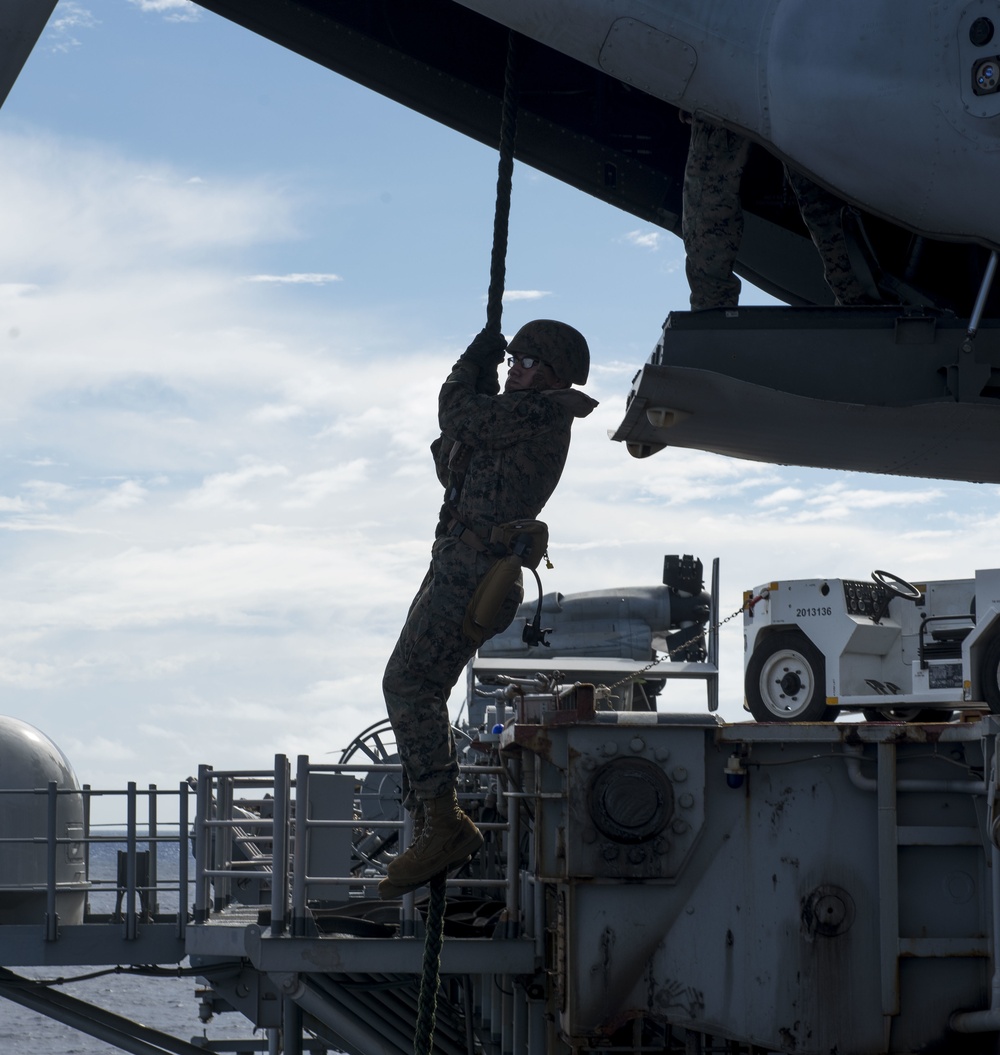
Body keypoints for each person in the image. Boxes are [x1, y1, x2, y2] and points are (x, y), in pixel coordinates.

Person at [379, 320, 598, 899]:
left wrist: (465, 366)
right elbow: (454, 451)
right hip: (457, 562)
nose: (515, 366)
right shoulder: (514, 415)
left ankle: (443, 821)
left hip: (473, 570)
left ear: (554, 373)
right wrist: (475, 384)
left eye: (528, 360)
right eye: (513, 358)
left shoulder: (541, 413)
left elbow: (459, 419)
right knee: (418, 687)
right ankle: (432, 820)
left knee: (408, 684)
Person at [682, 114, 875, 309]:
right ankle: (855, 295)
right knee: (820, 191)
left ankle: (711, 303)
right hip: (799, 98)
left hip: (726, 96)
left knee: (710, 189)